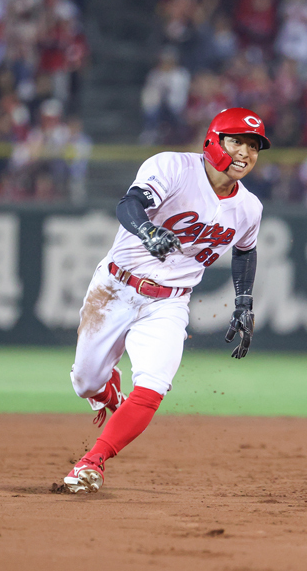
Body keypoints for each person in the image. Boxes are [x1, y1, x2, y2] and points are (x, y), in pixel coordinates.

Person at [61, 107, 269, 493]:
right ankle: (107, 391)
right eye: (236, 141)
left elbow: (245, 250)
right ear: (213, 141)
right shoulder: (173, 167)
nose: (245, 152)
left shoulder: (249, 208)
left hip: (169, 303)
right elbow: (129, 204)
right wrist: (147, 231)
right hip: (115, 287)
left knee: (153, 387)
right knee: (85, 383)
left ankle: (93, 462)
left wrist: (243, 302)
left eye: (254, 146)